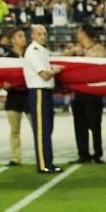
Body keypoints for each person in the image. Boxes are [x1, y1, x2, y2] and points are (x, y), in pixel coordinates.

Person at [23, 24, 62, 174]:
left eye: (44, 34)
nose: (43, 37)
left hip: (45, 92)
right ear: (32, 35)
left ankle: (48, 162)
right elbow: (44, 75)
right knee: (41, 131)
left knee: (47, 129)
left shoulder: (42, 51)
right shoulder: (33, 52)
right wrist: (56, 71)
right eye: (39, 34)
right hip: (38, 91)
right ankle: (44, 164)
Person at [67, 24, 106, 164]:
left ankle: (97, 153)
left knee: (95, 125)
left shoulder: (99, 50)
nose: (77, 35)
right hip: (79, 93)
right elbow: (62, 59)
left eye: (79, 32)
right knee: (80, 126)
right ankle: (83, 154)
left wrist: (82, 56)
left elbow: (103, 68)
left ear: (84, 33)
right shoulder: (75, 50)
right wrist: (73, 53)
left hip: (93, 93)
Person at [0, 28, 29, 167]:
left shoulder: (31, 54)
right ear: (13, 40)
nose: (23, 38)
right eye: (19, 36)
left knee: (37, 127)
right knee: (14, 129)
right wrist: (4, 85)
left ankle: (42, 153)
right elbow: (1, 77)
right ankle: (16, 157)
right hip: (14, 96)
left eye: (23, 36)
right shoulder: (6, 57)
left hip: (29, 94)